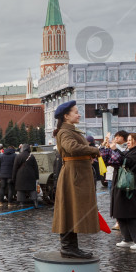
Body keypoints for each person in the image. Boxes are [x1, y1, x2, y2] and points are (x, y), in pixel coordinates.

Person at [51, 101, 99, 258]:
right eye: (76, 112)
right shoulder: (65, 132)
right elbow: (72, 148)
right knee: (69, 210)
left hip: (76, 173)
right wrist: (94, 150)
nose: (79, 114)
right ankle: (67, 246)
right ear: (66, 116)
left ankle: (71, 246)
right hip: (73, 175)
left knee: (72, 210)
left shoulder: (71, 130)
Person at [113, 133, 136, 249]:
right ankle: (128, 239)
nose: (128, 142)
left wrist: (116, 150)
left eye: (130, 140)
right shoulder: (129, 151)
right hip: (122, 186)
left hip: (131, 187)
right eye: (127, 140)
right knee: (122, 213)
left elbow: (126, 161)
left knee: (133, 213)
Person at [100, 130, 129, 229]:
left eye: (119, 136)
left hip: (122, 176)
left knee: (120, 199)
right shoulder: (112, 146)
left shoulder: (125, 147)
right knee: (113, 199)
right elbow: (103, 158)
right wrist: (104, 145)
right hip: (111, 176)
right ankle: (118, 220)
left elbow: (119, 159)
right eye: (116, 136)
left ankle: (122, 220)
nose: (116, 138)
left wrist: (114, 148)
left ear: (124, 138)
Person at [12, 143, 39, 208]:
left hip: (20, 175)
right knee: (32, 189)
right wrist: (37, 177)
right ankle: (35, 202)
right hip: (31, 174)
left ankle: (21, 203)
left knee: (20, 189)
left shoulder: (18, 156)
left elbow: (15, 168)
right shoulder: (31, 156)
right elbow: (35, 167)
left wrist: (13, 177)